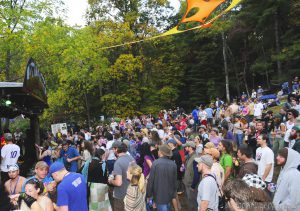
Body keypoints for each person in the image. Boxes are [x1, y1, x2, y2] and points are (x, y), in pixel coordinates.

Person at [146, 144, 177, 211]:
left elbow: (151, 181)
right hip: (169, 195)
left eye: (159, 150)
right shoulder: (173, 164)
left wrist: (148, 195)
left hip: (159, 196)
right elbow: (174, 181)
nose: (158, 151)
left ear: (161, 152)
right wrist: (173, 194)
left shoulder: (155, 163)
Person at [108, 141, 134, 211]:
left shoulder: (118, 162)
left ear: (116, 149)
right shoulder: (131, 158)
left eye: (113, 149)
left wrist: (110, 181)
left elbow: (118, 183)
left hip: (120, 195)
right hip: (131, 194)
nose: (113, 151)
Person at [182, 141, 200, 211]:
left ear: (190, 148)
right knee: (190, 200)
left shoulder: (195, 158)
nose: (185, 148)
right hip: (188, 182)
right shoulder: (189, 156)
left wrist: (193, 186)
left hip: (191, 184)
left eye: (186, 146)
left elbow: (197, 174)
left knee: (193, 202)